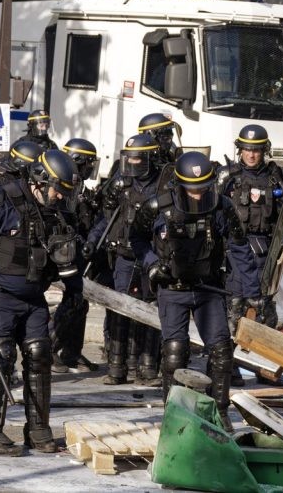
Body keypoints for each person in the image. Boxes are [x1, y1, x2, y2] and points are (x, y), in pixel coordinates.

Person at [0, 148, 80, 456]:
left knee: (39, 355)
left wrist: (74, 288)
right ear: (39, 179)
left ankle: (37, 429)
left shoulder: (56, 210)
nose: (59, 197)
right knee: (1, 359)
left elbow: (69, 250)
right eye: (56, 190)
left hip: (34, 297)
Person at [142, 151, 253, 429]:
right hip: (173, 288)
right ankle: (173, 412)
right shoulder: (159, 207)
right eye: (191, 188)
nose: (196, 194)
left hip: (209, 288)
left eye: (202, 188)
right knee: (175, 352)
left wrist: (253, 291)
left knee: (221, 350)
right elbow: (134, 236)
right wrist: (152, 263)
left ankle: (220, 411)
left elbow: (239, 246)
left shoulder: (222, 207)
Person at [86, 134, 163, 386]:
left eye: (138, 158)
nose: (133, 163)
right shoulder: (121, 184)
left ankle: (147, 367)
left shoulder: (163, 184)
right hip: (124, 256)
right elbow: (106, 219)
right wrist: (91, 241)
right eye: (130, 158)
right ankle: (117, 367)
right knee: (120, 309)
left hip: (151, 256)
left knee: (149, 311)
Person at [216, 124, 283, 330]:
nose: (251, 155)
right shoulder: (227, 176)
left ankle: (262, 351)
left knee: (264, 304)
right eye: (247, 149)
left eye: (256, 150)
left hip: (266, 247)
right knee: (235, 302)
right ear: (240, 149)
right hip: (235, 247)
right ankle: (230, 350)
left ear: (264, 150)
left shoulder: (276, 177)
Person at [51, 138, 101, 373]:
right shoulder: (62, 182)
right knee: (72, 302)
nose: (92, 168)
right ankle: (48, 348)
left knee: (80, 303)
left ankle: (71, 352)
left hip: (77, 246)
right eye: (89, 163)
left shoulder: (78, 184)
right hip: (65, 250)